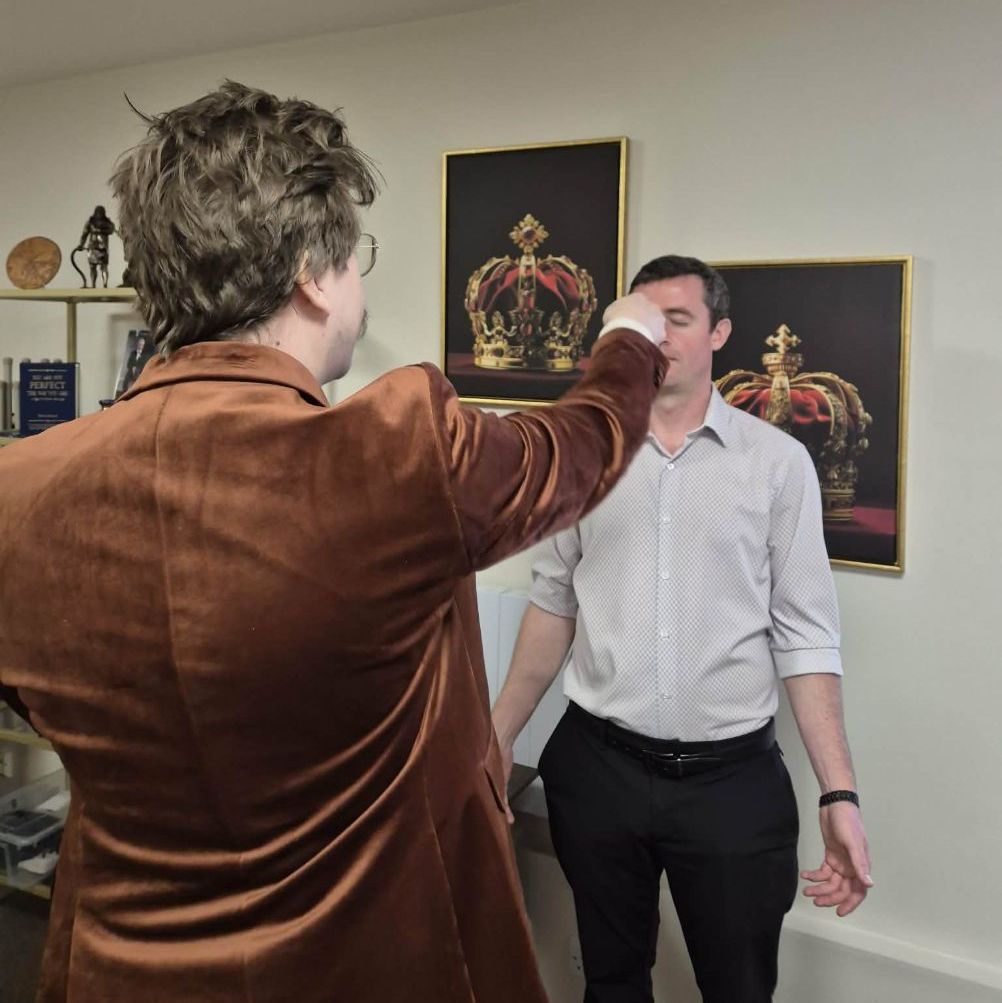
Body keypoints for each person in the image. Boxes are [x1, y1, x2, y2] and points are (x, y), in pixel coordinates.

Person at [0, 81, 671, 1003]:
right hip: (366, 967)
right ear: (314, 274)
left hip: (121, 972)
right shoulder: (392, 453)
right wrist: (629, 338)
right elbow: (578, 447)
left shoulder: (18, 491)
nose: (359, 285)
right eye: (356, 260)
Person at [492, 255, 873, 1003]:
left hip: (731, 786)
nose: (658, 337)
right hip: (598, 770)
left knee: (739, 988)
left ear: (719, 332)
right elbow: (553, 604)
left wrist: (840, 795)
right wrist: (497, 733)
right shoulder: (585, 457)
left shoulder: (777, 464)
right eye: (644, 320)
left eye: (679, 319)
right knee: (610, 981)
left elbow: (806, 638)